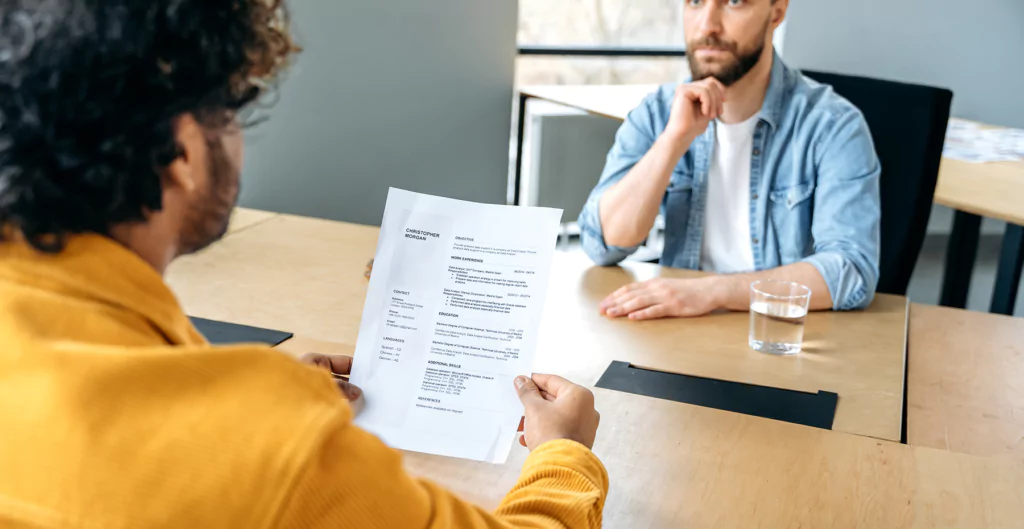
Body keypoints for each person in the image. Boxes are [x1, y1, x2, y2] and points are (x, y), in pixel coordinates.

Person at [0, 1, 606, 527]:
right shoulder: (267, 447)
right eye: (233, 113)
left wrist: (259, 397)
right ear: (181, 154)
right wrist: (565, 454)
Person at [578, 0, 881, 321]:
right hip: (680, 330)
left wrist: (713, 291)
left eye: (734, 2)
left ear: (776, 11)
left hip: (779, 335)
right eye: (695, 2)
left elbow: (852, 271)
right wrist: (673, 140)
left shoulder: (832, 124)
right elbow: (603, 244)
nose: (707, 24)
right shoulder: (657, 113)